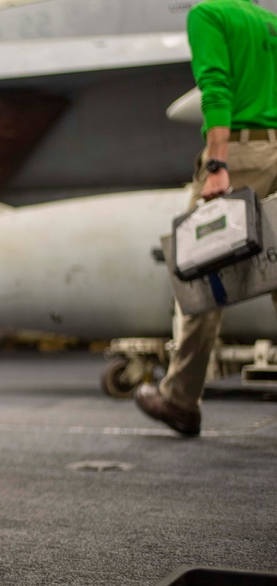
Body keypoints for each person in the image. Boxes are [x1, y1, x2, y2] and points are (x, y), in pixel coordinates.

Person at [135, 0, 277, 436]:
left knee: (199, 270)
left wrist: (217, 164)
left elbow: (214, 86)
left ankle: (180, 399)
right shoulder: (269, 21)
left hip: (240, 153)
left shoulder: (209, 14)